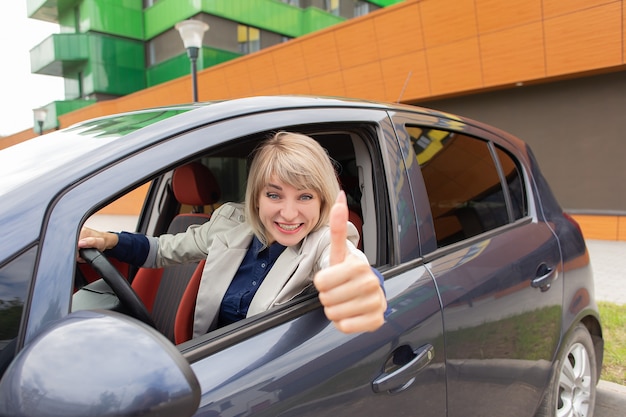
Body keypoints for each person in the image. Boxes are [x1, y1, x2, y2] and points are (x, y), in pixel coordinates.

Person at [78, 131, 387, 337]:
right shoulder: (230, 222)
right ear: (256, 196)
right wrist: (109, 240)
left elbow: (347, 267)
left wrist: (361, 286)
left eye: (305, 197)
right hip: (209, 361)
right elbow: (162, 250)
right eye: (274, 195)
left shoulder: (325, 242)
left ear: (322, 200)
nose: (289, 213)